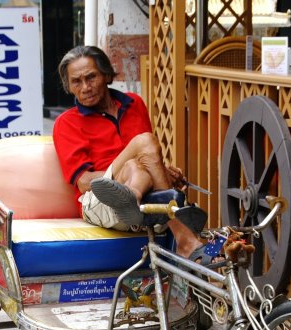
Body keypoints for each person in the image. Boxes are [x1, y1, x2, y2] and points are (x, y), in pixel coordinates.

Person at [53, 46, 207, 261]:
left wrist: (162, 171)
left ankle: (132, 196)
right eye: (76, 81)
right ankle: (181, 238)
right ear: (68, 86)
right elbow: (84, 182)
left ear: (106, 75)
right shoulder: (66, 123)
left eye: (91, 77)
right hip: (101, 199)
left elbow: (148, 158)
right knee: (141, 147)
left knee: (136, 164)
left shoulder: (135, 103)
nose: (85, 87)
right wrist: (126, 173)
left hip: (145, 189)